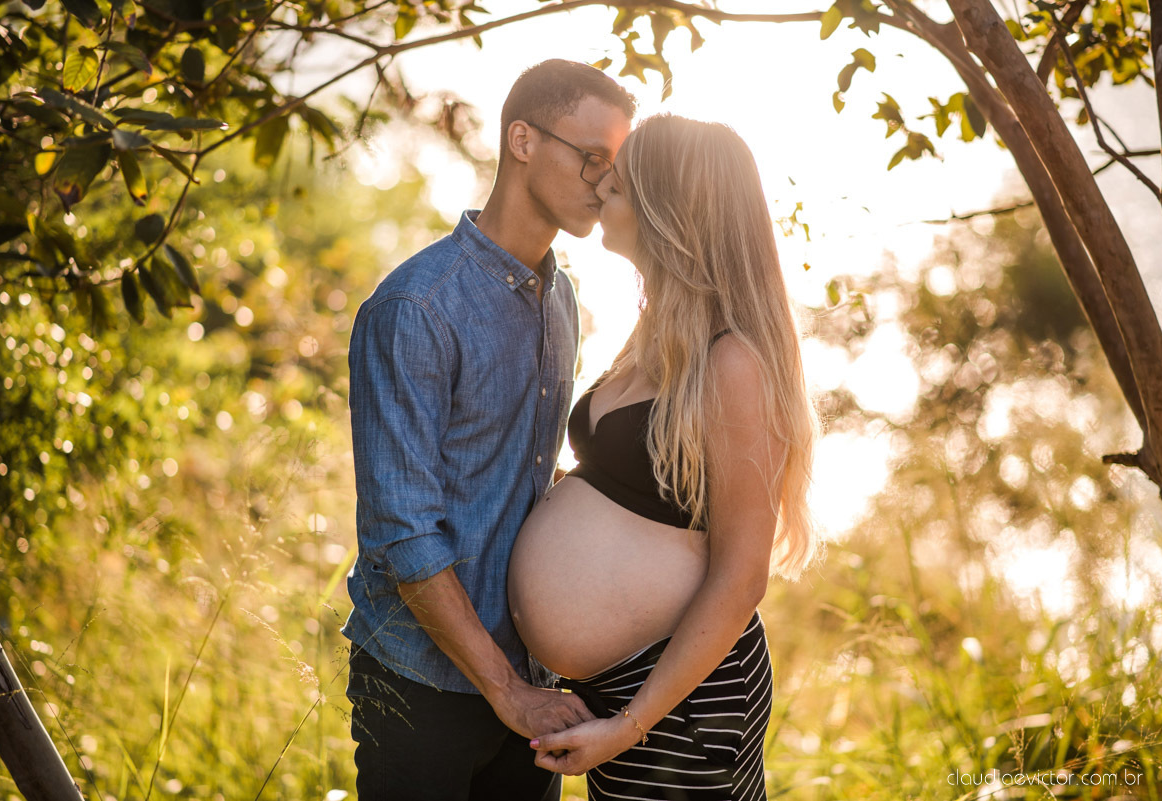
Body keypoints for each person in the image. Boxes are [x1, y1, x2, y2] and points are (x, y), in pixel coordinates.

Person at [341, 60, 636, 800]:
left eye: (615, 166)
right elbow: (402, 530)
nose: (604, 183)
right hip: (422, 685)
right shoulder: (415, 307)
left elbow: (523, 475)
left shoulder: (561, 297)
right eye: (590, 156)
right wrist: (506, 689)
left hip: (531, 681)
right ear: (523, 140)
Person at [507, 114, 824, 800]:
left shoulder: (732, 359)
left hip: (679, 697)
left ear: (668, 215)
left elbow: (742, 575)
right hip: (616, 686)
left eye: (616, 189)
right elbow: (642, 488)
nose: (598, 197)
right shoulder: (658, 333)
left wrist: (631, 723)